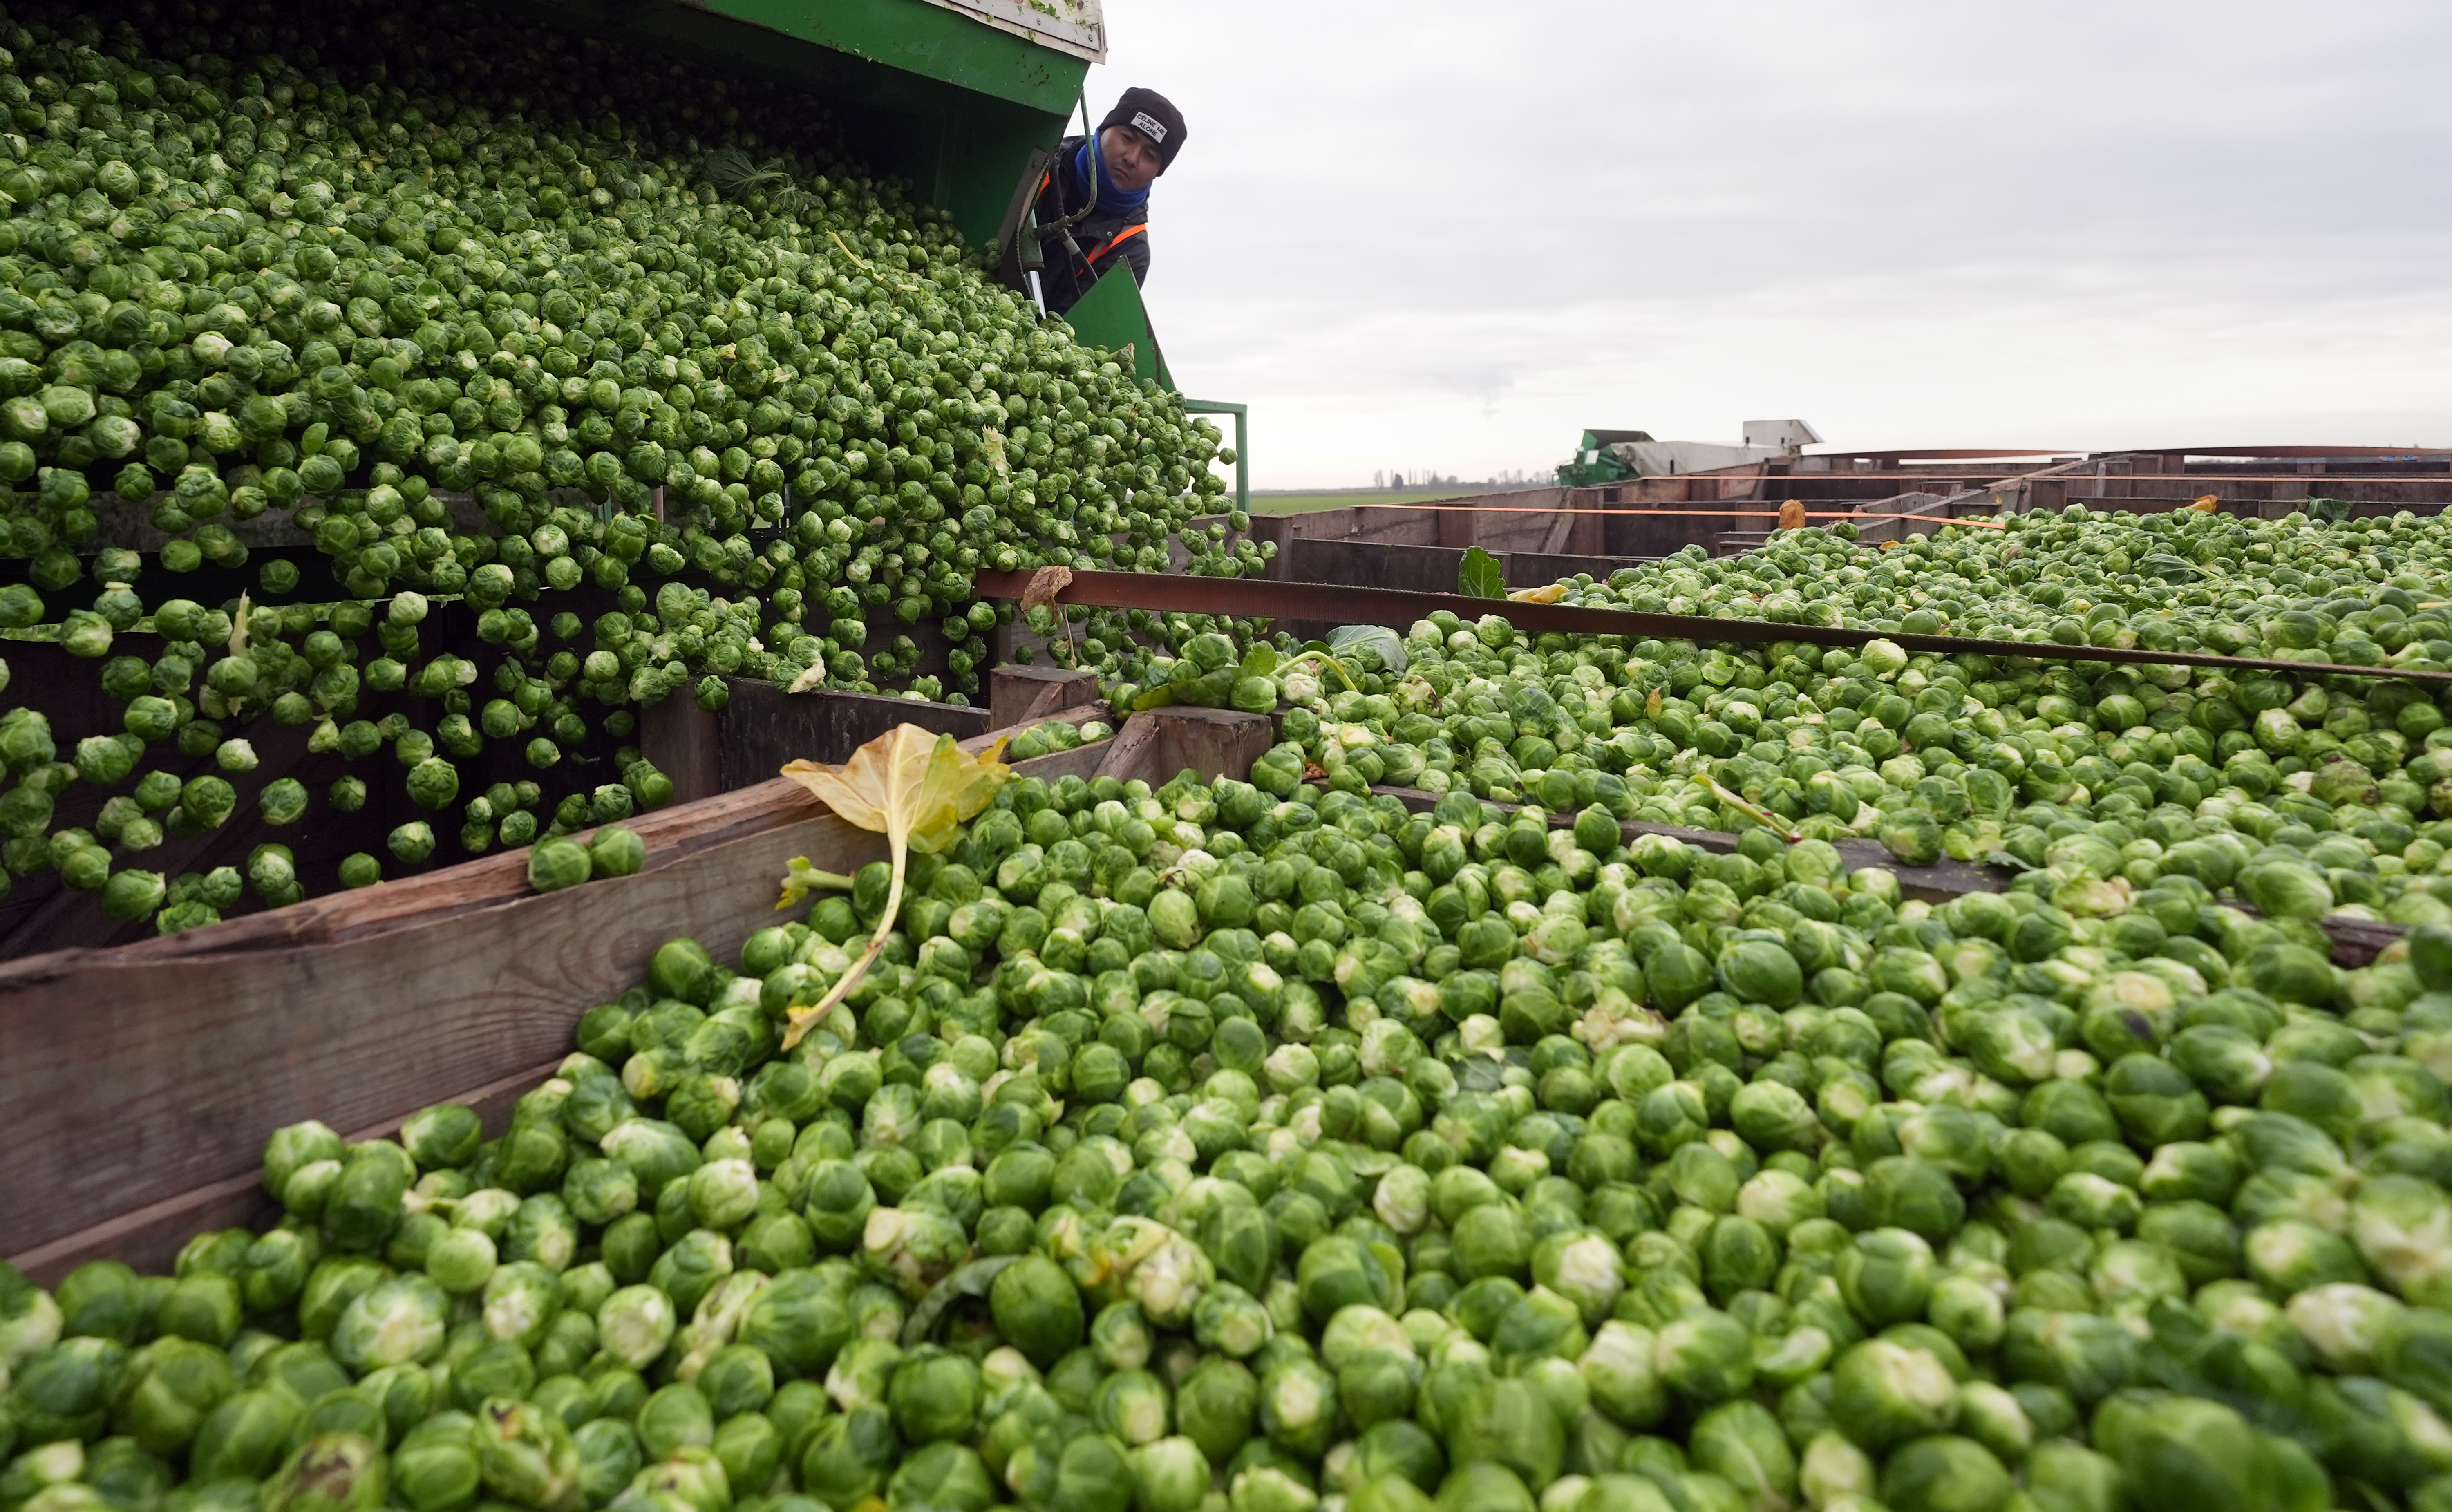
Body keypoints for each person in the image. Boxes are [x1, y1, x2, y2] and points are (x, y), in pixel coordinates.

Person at [1030, 87, 1186, 315]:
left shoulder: (1130, 250)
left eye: (1150, 156)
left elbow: (1069, 333)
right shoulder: (1039, 161)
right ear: (1103, 130)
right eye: (1127, 138)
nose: (1132, 159)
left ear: (1157, 173)